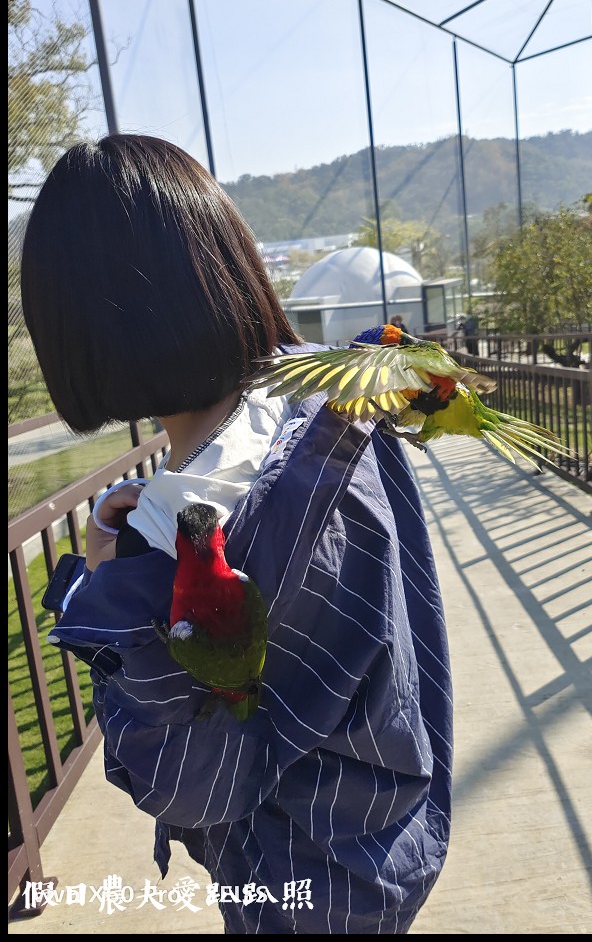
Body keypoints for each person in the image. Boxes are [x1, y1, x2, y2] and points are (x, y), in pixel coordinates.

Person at [21, 134, 453, 934]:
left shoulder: (177, 538)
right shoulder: (334, 401)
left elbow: (195, 782)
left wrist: (109, 590)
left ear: (78, 332)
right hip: (390, 825)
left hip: (301, 885)